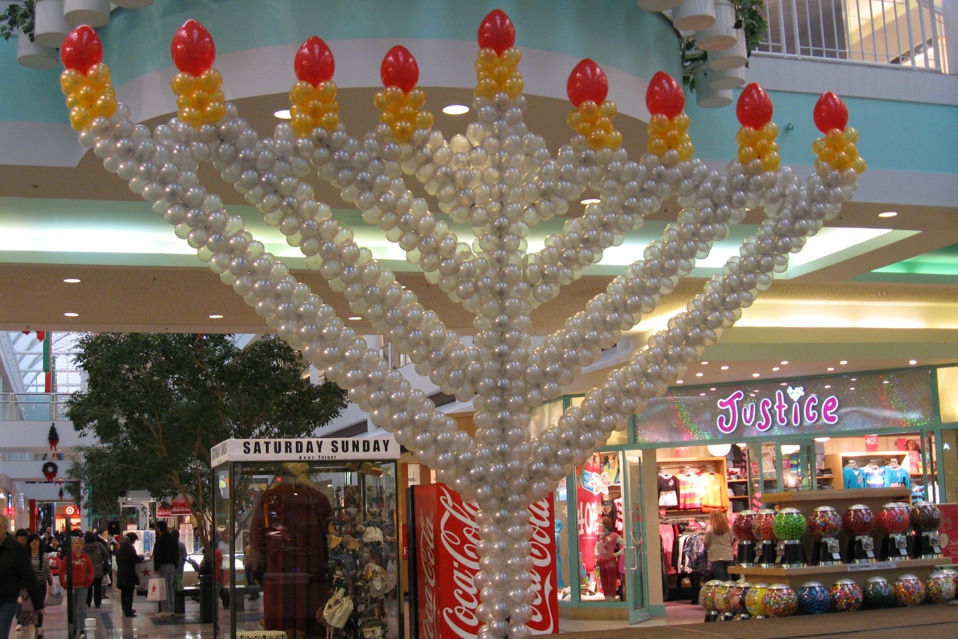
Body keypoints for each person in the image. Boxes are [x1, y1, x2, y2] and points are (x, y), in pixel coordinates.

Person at [247, 462, 334, 639]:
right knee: (311, 616)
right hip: (312, 573)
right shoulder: (318, 499)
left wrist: (258, 571)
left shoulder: (269, 498)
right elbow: (332, 538)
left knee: (280, 617)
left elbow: (257, 541)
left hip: (277, 572)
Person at [1, 515, 45, 639]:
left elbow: (28, 575)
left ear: (5, 528)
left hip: (7, 600)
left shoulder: (17, 549)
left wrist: (38, 603)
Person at [60, 536, 94, 638]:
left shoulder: (86, 557)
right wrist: (64, 584)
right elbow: (61, 571)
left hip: (83, 587)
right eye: (76, 543)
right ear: (72, 545)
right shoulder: (68, 557)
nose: (78, 545)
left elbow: (91, 570)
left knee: (82, 607)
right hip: (72, 588)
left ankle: (83, 628)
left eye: (80, 543)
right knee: (73, 608)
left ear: (82, 545)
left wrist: (88, 582)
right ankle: (74, 628)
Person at [23, 533, 53, 639]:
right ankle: (31, 626)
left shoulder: (44, 556)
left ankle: (39, 626)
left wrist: (50, 584)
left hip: (41, 585)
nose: (34, 542)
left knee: (39, 606)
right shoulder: (26, 556)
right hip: (29, 586)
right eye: (32, 541)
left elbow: (47, 571)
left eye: (36, 540)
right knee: (30, 606)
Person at [151, 521, 179, 618]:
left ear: (158, 529)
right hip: (172, 566)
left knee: (164, 587)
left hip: (163, 566)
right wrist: (175, 564)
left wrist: (156, 567)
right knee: (170, 587)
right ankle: (172, 609)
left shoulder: (161, 539)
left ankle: (166, 609)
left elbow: (157, 554)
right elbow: (177, 552)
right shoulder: (172, 538)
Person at [594, 516, 624, 601]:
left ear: (606, 524)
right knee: (604, 582)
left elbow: (625, 544)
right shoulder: (601, 535)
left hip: (610, 562)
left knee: (611, 582)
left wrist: (617, 554)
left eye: (601, 523)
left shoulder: (614, 535)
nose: (600, 524)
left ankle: (612, 600)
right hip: (602, 562)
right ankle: (607, 599)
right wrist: (597, 553)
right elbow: (598, 547)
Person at [114, 536, 143, 618]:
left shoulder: (118, 552)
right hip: (129, 574)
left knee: (123, 593)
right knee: (129, 593)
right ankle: (128, 611)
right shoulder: (130, 550)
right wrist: (142, 556)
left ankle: (125, 609)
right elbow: (136, 559)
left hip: (121, 574)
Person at [704, 509, 734, 582]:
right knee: (728, 579)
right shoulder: (728, 527)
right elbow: (731, 540)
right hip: (728, 555)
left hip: (716, 556)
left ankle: (723, 590)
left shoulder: (710, 528)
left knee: (720, 579)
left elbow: (706, 541)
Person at [83, 531, 107, 609]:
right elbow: (106, 553)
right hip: (98, 570)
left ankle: (88, 602)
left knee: (88, 587)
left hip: (87, 570)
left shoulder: (83, 547)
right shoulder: (99, 545)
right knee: (98, 587)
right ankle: (97, 603)